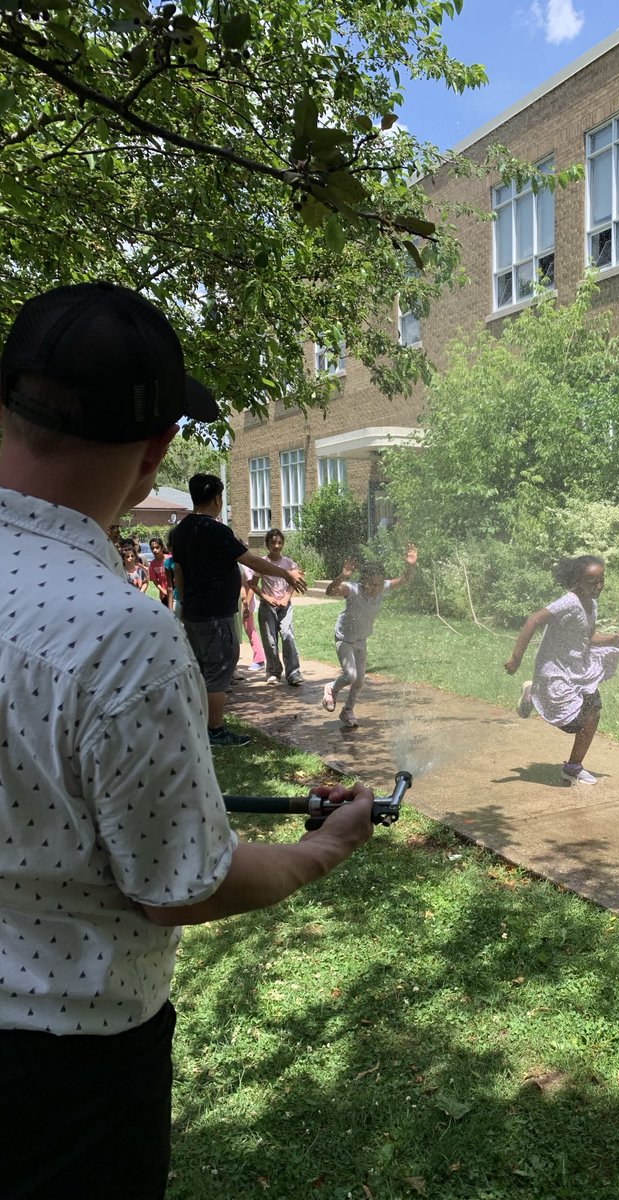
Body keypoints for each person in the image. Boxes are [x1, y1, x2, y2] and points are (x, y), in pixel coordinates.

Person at [0, 279, 374, 1200]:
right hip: (60, 1075)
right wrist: (322, 849)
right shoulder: (118, 636)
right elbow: (178, 885)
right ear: (158, 448)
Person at [170, 475, 308, 746]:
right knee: (220, 668)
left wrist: (184, 603)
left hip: (194, 613)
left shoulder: (182, 530)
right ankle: (215, 730)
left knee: (202, 667)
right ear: (218, 499)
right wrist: (286, 574)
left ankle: (198, 725)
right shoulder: (217, 530)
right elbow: (251, 560)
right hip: (215, 614)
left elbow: (179, 572)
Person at [504, 555, 619, 786]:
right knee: (574, 724)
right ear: (577, 581)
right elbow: (533, 620)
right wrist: (516, 658)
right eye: (592, 581)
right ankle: (533, 694)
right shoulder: (570, 602)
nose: (599, 586)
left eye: (601, 580)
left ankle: (573, 767)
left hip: (577, 669)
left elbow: (588, 636)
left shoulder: (591, 604)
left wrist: (614, 639)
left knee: (593, 711)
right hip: (554, 671)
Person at [323, 545, 417, 728]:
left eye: (379, 584)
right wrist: (343, 576)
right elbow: (330, 591)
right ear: (363, 581)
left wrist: (411, 565)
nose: (375, 588)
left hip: (361, 639)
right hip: (344, 638)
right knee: (350, 675)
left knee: (359, 681)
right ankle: (331, 688)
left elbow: (405, 579)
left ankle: (347, 710)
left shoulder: (382, 588)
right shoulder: (353, 589)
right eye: (372, 584)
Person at [247, 527, 303, 686]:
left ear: (283, 544)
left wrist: (287, 597)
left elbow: (294, 583)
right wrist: (266, 597)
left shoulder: (289, 563)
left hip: (285, 606)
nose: (276, 546)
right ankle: (273, 672)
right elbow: (253, 584)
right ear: (267, 544)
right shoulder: (262, 563)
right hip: (267, 607)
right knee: (270, 640)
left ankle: (293, 673)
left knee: (288, 636)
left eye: (279, 542)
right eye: (273, 542)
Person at [239, 562, 266, 672]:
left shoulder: (244, 565)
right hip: (237, 603)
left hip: (245, 604)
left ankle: (259, 659)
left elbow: (251, 587)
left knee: (249, 629)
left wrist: (246, 606)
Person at [147, 535, 170, 607]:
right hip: (164, 595)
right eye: (152, 548)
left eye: (157, 547)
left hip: (176, 593)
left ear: (162, 547)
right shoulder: (152, 564)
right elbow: (155, 581)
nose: (154, 550)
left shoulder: (170, 558)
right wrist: (163, 591)